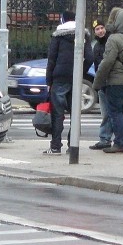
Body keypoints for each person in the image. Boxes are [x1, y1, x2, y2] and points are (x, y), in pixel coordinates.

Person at [44, 10, 93, 154]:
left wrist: (49, 81)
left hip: (59, 77)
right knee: (75, 113)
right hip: (75, 79)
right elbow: (89, 57)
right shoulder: (83, 35)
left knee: (57, 113)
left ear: (63, 20)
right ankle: (73, 146)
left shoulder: (57, 35)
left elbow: (51, 60)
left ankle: (55, 146)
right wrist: (80, 72)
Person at [92, 8, 123, 153]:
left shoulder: (114, 38)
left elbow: (106, 63)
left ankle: (120, 143)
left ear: (119, 21)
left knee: (115, 112)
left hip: (117, 81)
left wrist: (97, 83)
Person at [88, 19, 113, 150]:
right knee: (106, 113)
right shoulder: (97, 46)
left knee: (108, 113)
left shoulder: (110, 42)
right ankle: (106, 138)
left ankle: (105, 139)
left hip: (110, 82)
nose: (100, 30)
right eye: (97, 29)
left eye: (102, 27)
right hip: (103, 84)